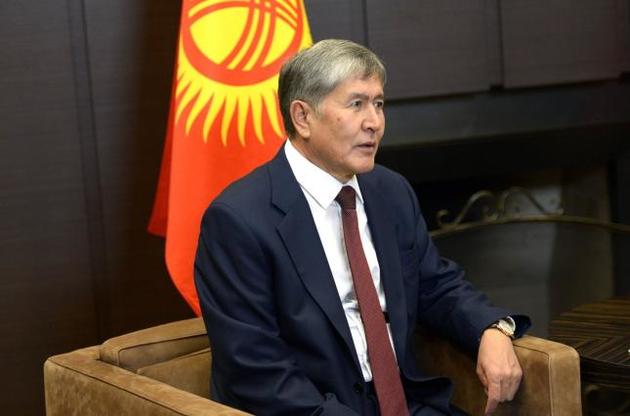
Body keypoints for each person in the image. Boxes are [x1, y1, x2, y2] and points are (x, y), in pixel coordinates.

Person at [194, 39, 530, 416]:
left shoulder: (389, 190)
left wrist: (492, 329)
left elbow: (435, 285)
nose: (375, 122)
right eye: (356, 104)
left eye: (379, 104)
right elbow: (256, 372)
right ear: (302, 117)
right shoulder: (238, 220)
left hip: (408, 402)